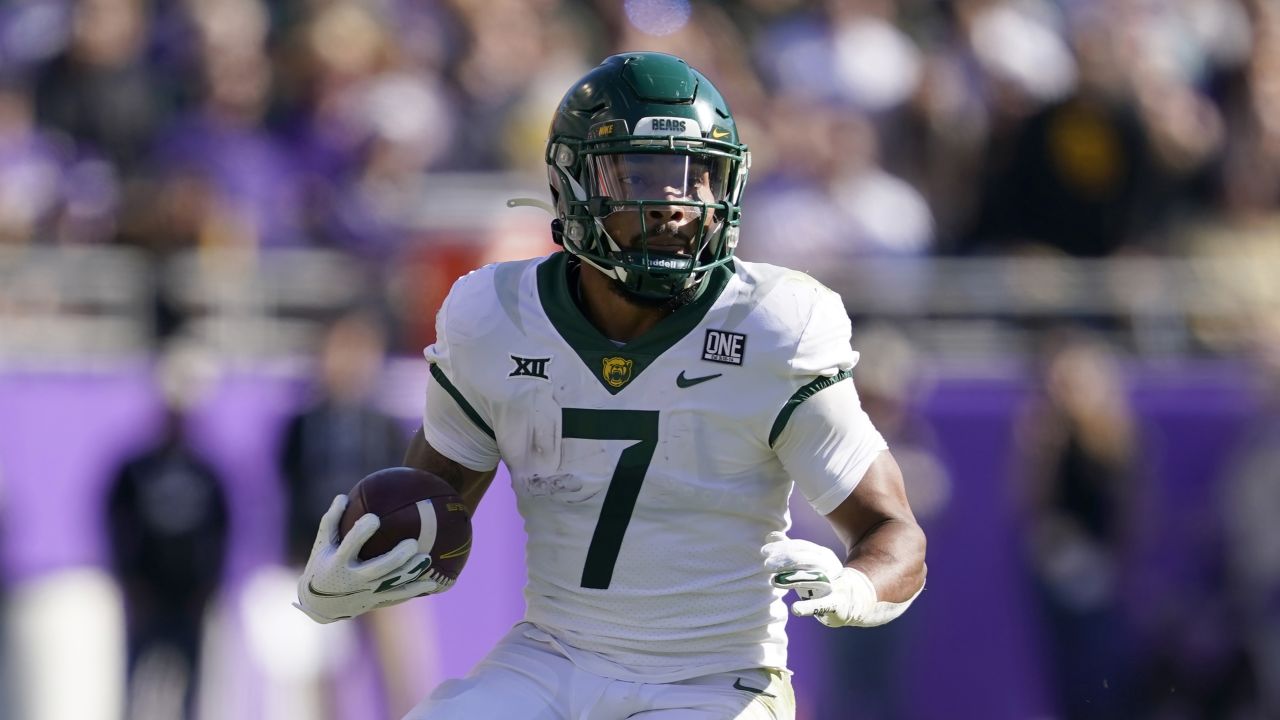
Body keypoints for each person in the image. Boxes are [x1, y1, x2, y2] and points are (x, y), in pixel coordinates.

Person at [295, 52, 928, 719]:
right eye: (647, 171)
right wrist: (351, 577)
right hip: (553, 656)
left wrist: (856, 587)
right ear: (572, 183)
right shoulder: (496, 316)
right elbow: (430, 518)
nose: (679, 203)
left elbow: (893, 530)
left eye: (700, 175)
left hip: (714, 676)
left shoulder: (773, 323)